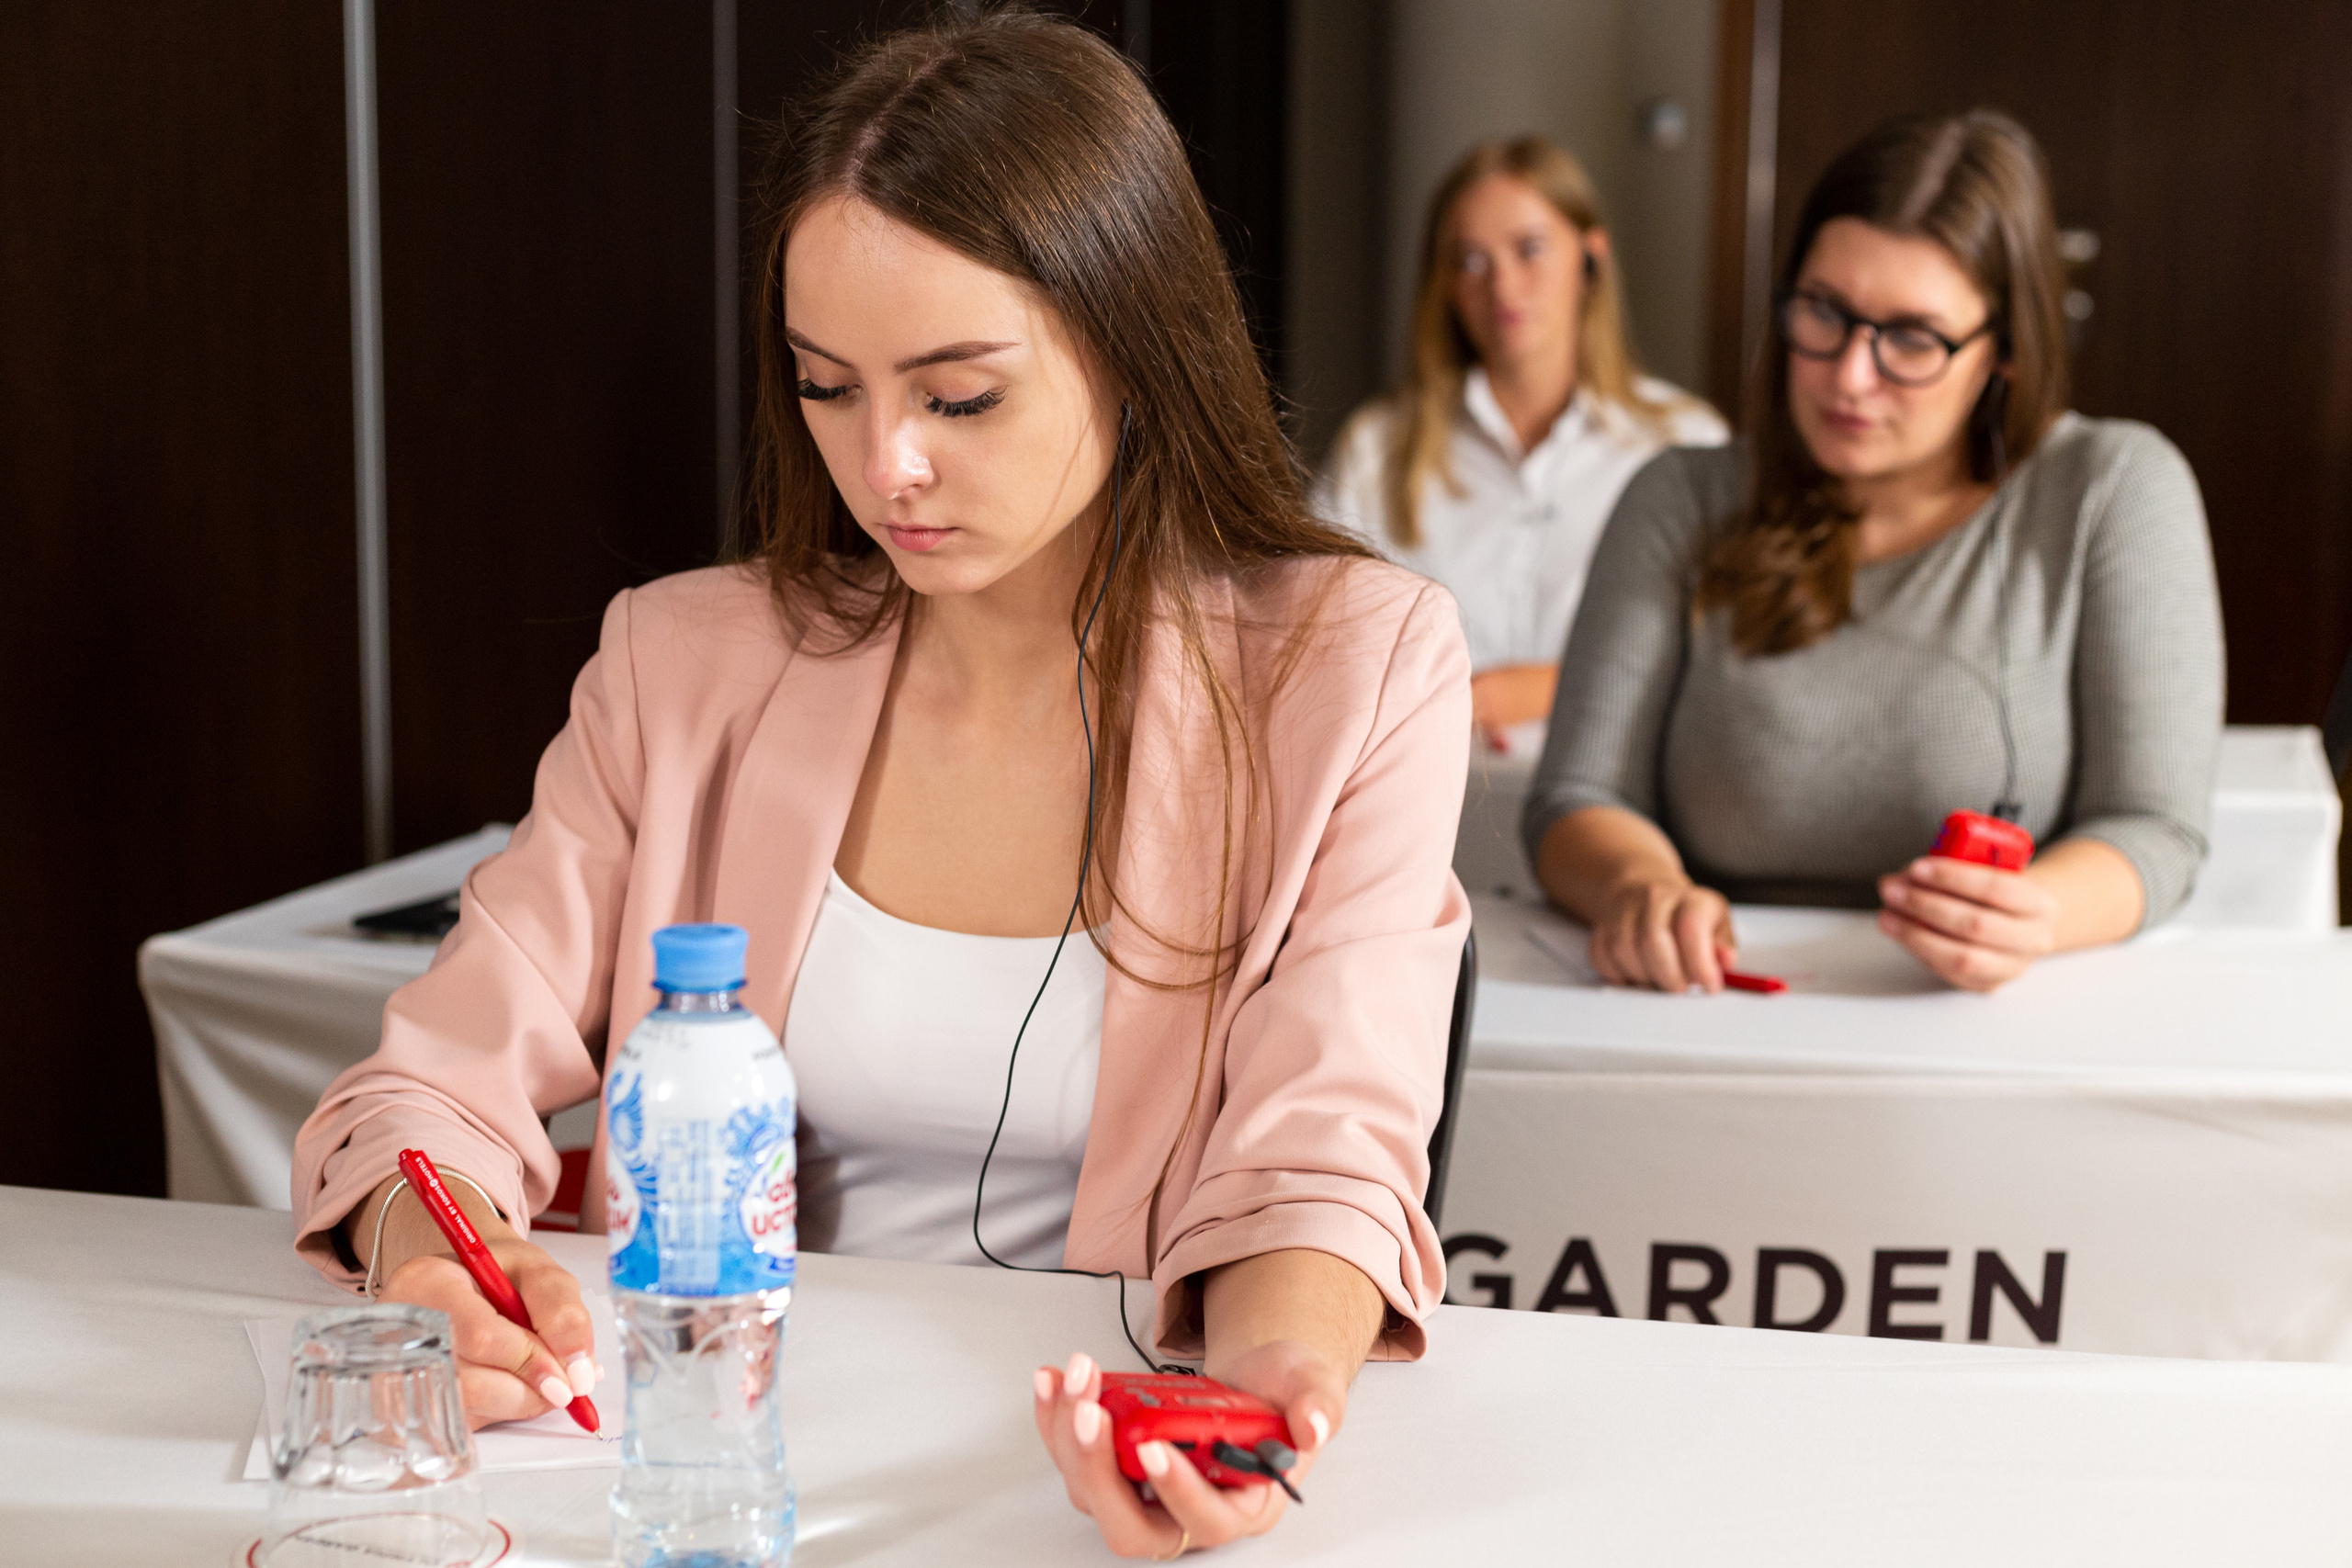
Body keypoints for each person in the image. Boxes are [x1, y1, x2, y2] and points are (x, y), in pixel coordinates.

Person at [290, 12, 1470, 1559]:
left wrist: (1256, 1398)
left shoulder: (1351, 667)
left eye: (958, 395)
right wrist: (431, 1252)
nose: (885, 465)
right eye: (825, 386)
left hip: (1072, 1455)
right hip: (732, 1473)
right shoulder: (685, 662)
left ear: (1138, 342)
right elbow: (415, 1094)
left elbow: (1323, 1153)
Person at [1523, 109, 2223, 996]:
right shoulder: (1681, 498)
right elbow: (1578, 794)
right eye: (1824, 312)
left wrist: (2035, 915)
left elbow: (2156, 825)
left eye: (1911, 339)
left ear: (2003, 353)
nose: (1850, 374)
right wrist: (1640, 886)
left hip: (1987, 1021)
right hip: (1712, 1008)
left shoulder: (2111, 491)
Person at [1317, 135, 1725, 753]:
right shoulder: (1378, 449)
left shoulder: (1684, 444)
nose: (1502, 286)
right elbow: (1316, 647)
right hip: (1418, 805)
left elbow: (1723, 663)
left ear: (1591, 258)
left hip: (1618, 811)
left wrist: (1529, 691)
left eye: (1529, 249)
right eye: (1471, 261)